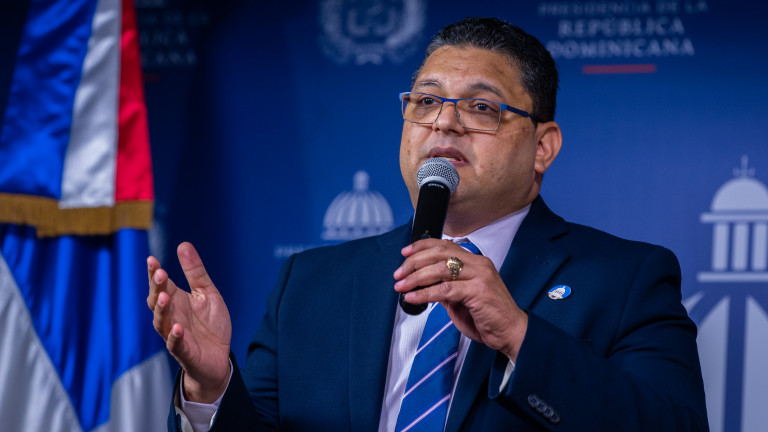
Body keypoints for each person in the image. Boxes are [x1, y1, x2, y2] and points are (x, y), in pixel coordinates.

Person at [147, 17, 709, 431]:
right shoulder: (310, 284)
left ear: (543, 147)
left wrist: (519, 335)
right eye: (426, 101)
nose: (445, 122)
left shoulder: (626, 279)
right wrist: (211, 387)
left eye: (482, 107)